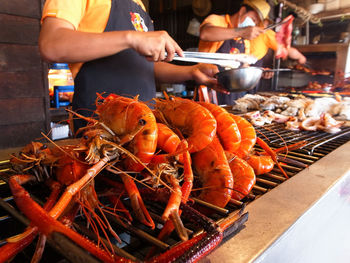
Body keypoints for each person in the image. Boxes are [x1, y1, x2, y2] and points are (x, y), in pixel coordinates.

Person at [39, 0, 225, 131]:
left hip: (146, 128)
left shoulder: (139, 6)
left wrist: (192, 72)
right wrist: (132, 38)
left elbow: (143, 67)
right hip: (102, 129)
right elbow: (51, 44)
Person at [198, 0, 270, 105]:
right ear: (242, 10)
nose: (252, 24)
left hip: (234, 95)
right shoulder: (217, 20)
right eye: (253, 19)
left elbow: (244, 67)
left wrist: (259, 72)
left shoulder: (245, 40)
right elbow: (206, 33)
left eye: (255, 23)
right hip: (210, 88)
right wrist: (242, 31)